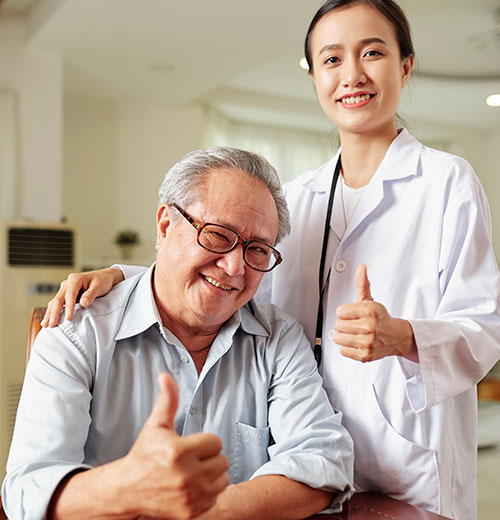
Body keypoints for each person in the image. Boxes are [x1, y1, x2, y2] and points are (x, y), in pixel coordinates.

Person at [38, 1, 500, 519]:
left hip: (408, 465)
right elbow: (232, 283)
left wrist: (404, 337)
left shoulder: (447, 183)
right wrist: (124, 277)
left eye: (372, 53)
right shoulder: (295, 198)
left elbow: (484, 325)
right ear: (314, 76)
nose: (352, 74)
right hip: (294, 459)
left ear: (406, 65)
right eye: (331, 59)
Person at [1, 148, 354, 520]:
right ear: (165, 226)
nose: (235, 267)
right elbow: (29, 489)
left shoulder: (278, 339)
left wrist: (212, 513)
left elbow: (324, 462)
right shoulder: (78, 330)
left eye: (258, 250)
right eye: (218, 236)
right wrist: (129, 488)